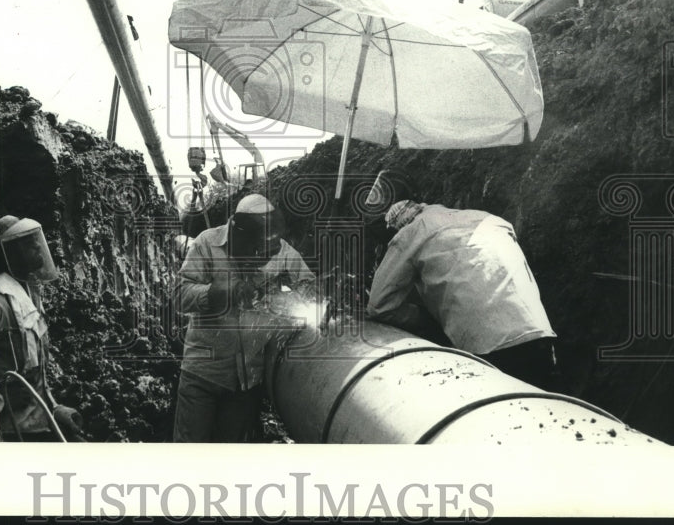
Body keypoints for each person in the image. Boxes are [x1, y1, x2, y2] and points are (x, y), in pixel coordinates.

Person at [364, 169, 563, 392]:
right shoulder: (485, 218)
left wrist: (427, 320)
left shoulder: (410, 233)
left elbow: (379, 306)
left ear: (389, 224)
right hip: (541, 336)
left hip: (491, 348)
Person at [172, 194, 315, 442]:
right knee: (189, 450)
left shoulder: (280, 249)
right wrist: (220, 293)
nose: (266, 259)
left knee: (230, 457)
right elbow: (179, 295)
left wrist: (306, 294)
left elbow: (308, 284)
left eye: (270, 253)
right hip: (203, 375)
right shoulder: (207, 243)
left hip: (246, 382)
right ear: (241, 240)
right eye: (259, 253)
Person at [0, 215, 83, 442]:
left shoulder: (28, 299)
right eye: (25, 243)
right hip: (14, 433)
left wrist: (54, 408)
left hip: (42, 424)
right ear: (5, 255)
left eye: (34, 240)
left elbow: (35, 375)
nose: (37, 246)